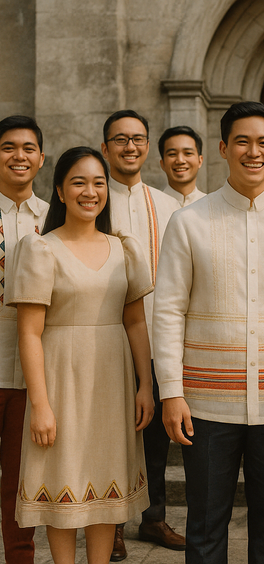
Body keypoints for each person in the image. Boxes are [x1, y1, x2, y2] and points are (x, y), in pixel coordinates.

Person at [153, 101, 264, 564]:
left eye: (263, 143)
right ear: (223, 148)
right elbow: (169, 311)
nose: (253, 152)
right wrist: (171, 392)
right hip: (206, 402)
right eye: (242, 142)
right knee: (206, 524)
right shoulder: (189, 222)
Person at [8, 146, 154, 564]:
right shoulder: (41, 249)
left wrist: (145, 385)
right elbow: (30, 333)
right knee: (62, 480)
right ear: (59, 190)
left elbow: (136, 324)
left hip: (113, 380)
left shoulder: (124, 248)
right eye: (78, 182)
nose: (90, 191)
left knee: (105, 485)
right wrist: (40, 405)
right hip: (60, 379)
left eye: (98, 182)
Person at [101, 109, 182, 559]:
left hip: (155, 335)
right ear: (105, 148)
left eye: (137, 139)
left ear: (147, 147)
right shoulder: (94, 199)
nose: (130, 147)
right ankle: (111, 522)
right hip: (107, 338)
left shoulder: (168, 205)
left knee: (155, 437)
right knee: (113, 434)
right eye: (120, 140)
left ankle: (153, 518)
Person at [0, 115, 48, 564]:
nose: (19, 156)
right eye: (8, 147)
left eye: (28, 148)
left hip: (32, 374)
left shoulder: (54, 221)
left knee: (19, 481)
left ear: (41, 157)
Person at [158, 126, 207, 207]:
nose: (180, 160)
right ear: (162, 164)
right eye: (172, 154)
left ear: (200, 161)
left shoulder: (211, 205)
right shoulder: (151, 206)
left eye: (188, 153)